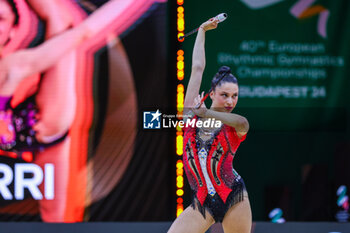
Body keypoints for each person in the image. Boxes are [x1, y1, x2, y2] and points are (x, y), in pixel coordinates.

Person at [0, 0, 137, 221]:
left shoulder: (12, 67)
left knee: (63, 26)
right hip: (22, 130)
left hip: (38, 127)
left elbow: (84, 32)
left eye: (1, 19)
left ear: (13, 29)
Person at [168, 18, 252, 233]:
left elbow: (243, 122)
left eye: (235, 96)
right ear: (211, 93)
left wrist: (206, 112)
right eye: (225, 95)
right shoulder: (190, 117)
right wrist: (202, 30)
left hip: (234, 196)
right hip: (203, 203)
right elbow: (197, 69)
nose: (230, 101)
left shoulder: (233, 126)